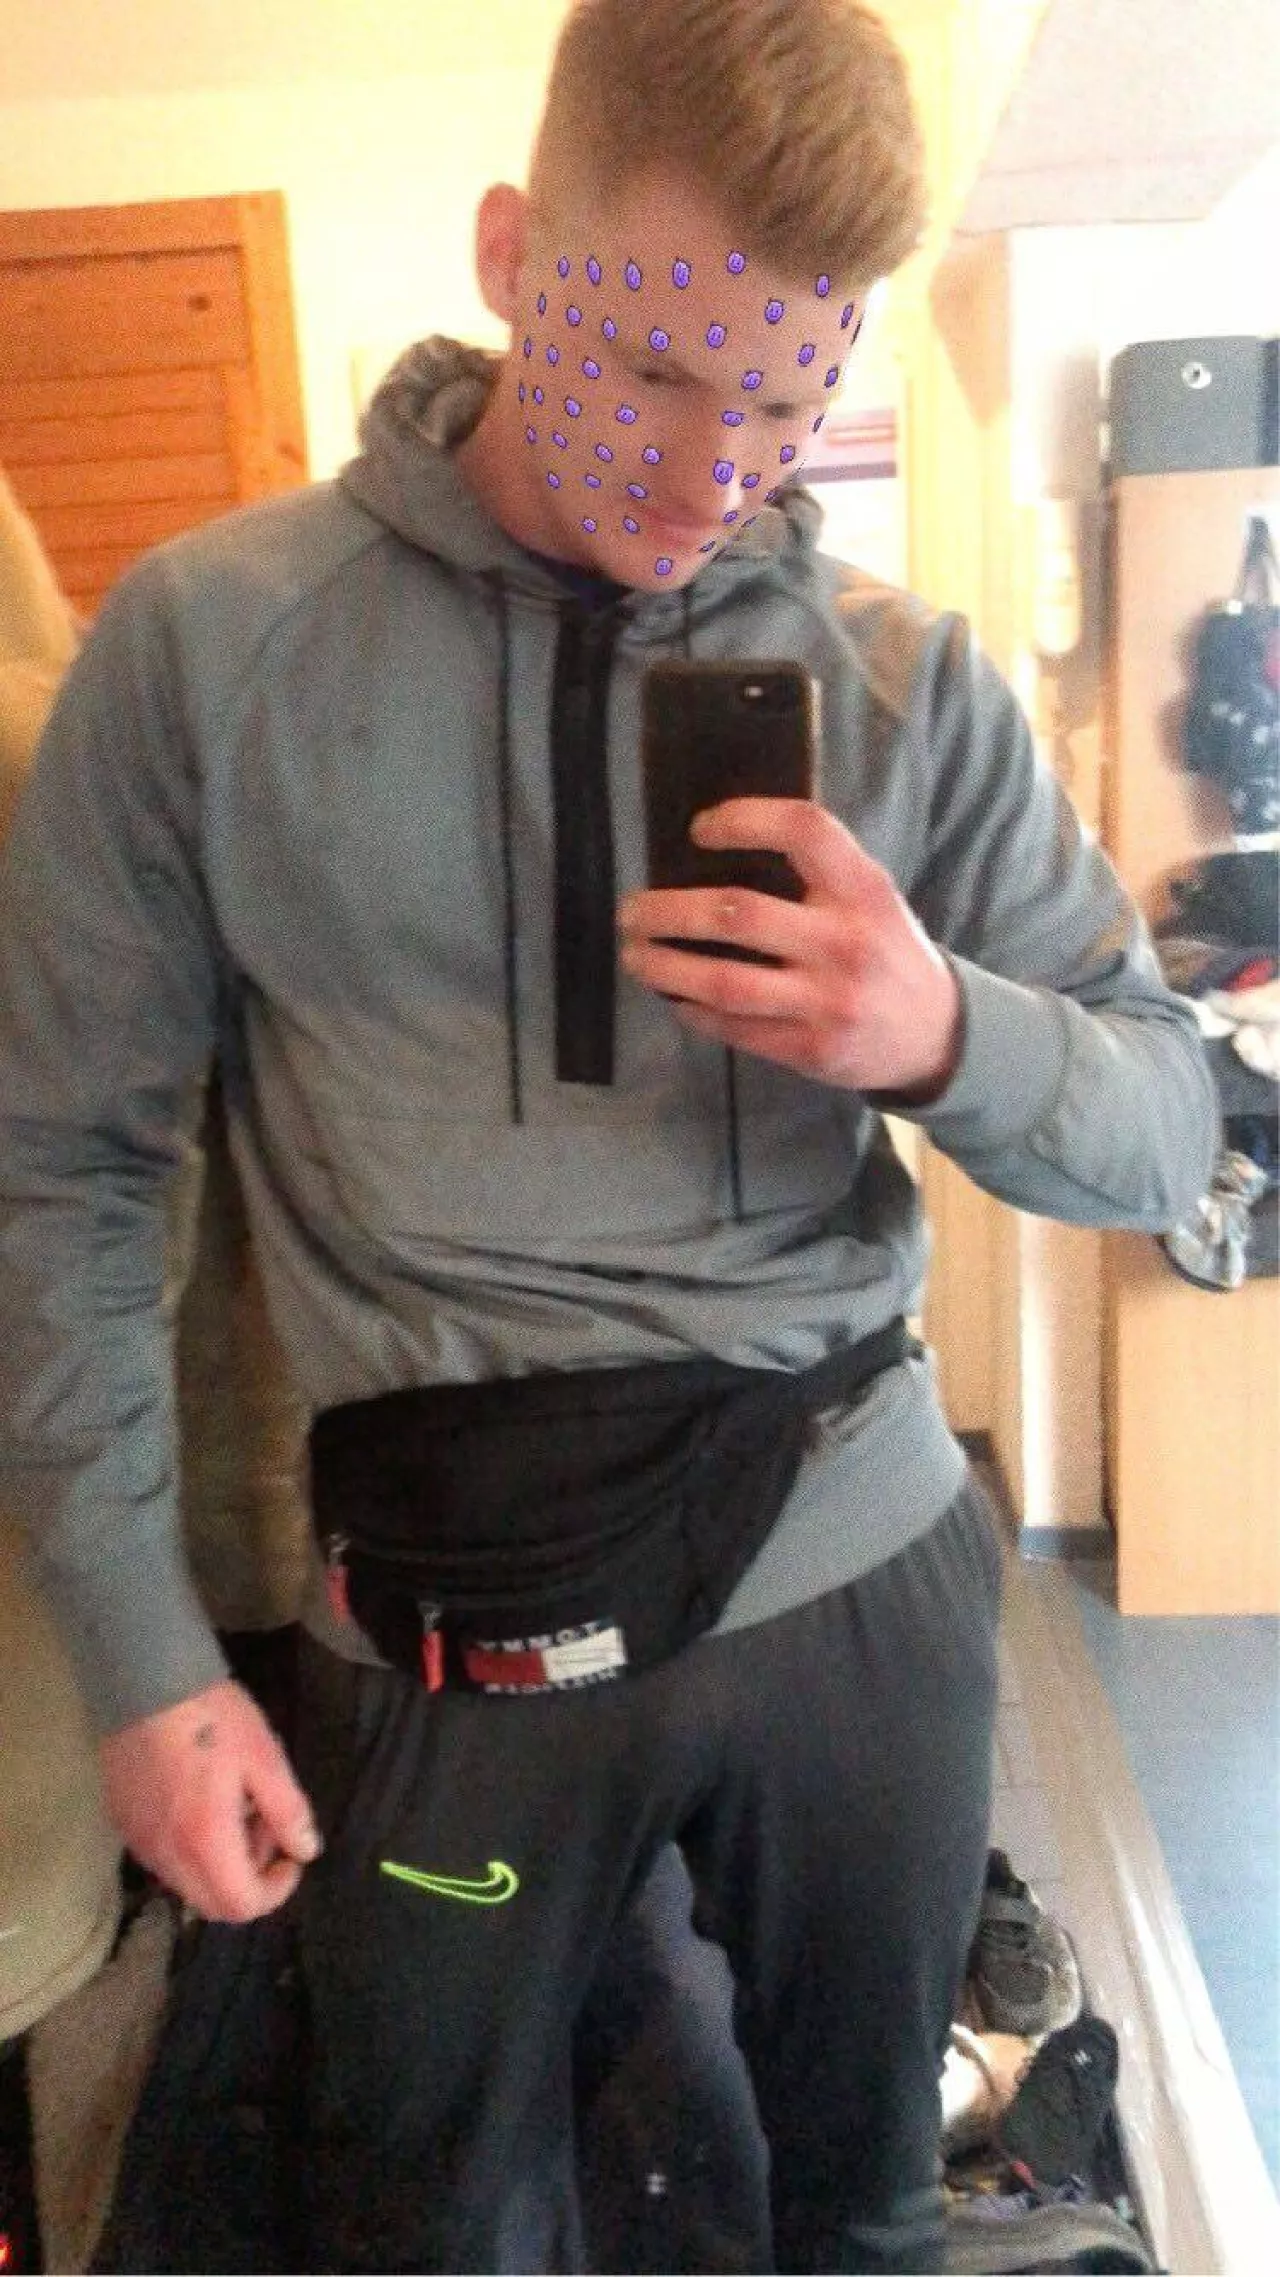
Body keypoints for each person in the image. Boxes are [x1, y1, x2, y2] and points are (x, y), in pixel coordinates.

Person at [0, 1, 1217, 2269]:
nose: (710, 468)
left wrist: (943, 1030)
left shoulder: (904, 684)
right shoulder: (206, 653)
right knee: (434, 2218)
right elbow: (60, 1175)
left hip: (853, 1570)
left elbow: (1171, 1135)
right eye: (654, 371)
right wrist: (146, 1659)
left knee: (861, 2216)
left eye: (781, 393)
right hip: (446, 1628)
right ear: (509, 257)